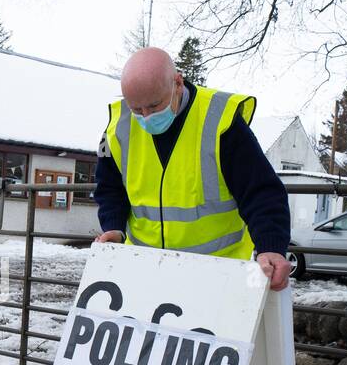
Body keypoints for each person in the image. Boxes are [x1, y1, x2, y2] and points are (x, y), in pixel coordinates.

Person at [93, 47, 292, 291]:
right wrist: (114, 227)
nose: (145, 117)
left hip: (216, 275)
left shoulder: (221, 121)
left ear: (178, 82)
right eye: (137, 110)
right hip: (146, 272)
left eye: (154, 107)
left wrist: (270, 245)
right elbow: (109, 187)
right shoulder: (118, 126)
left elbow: (260, 191)